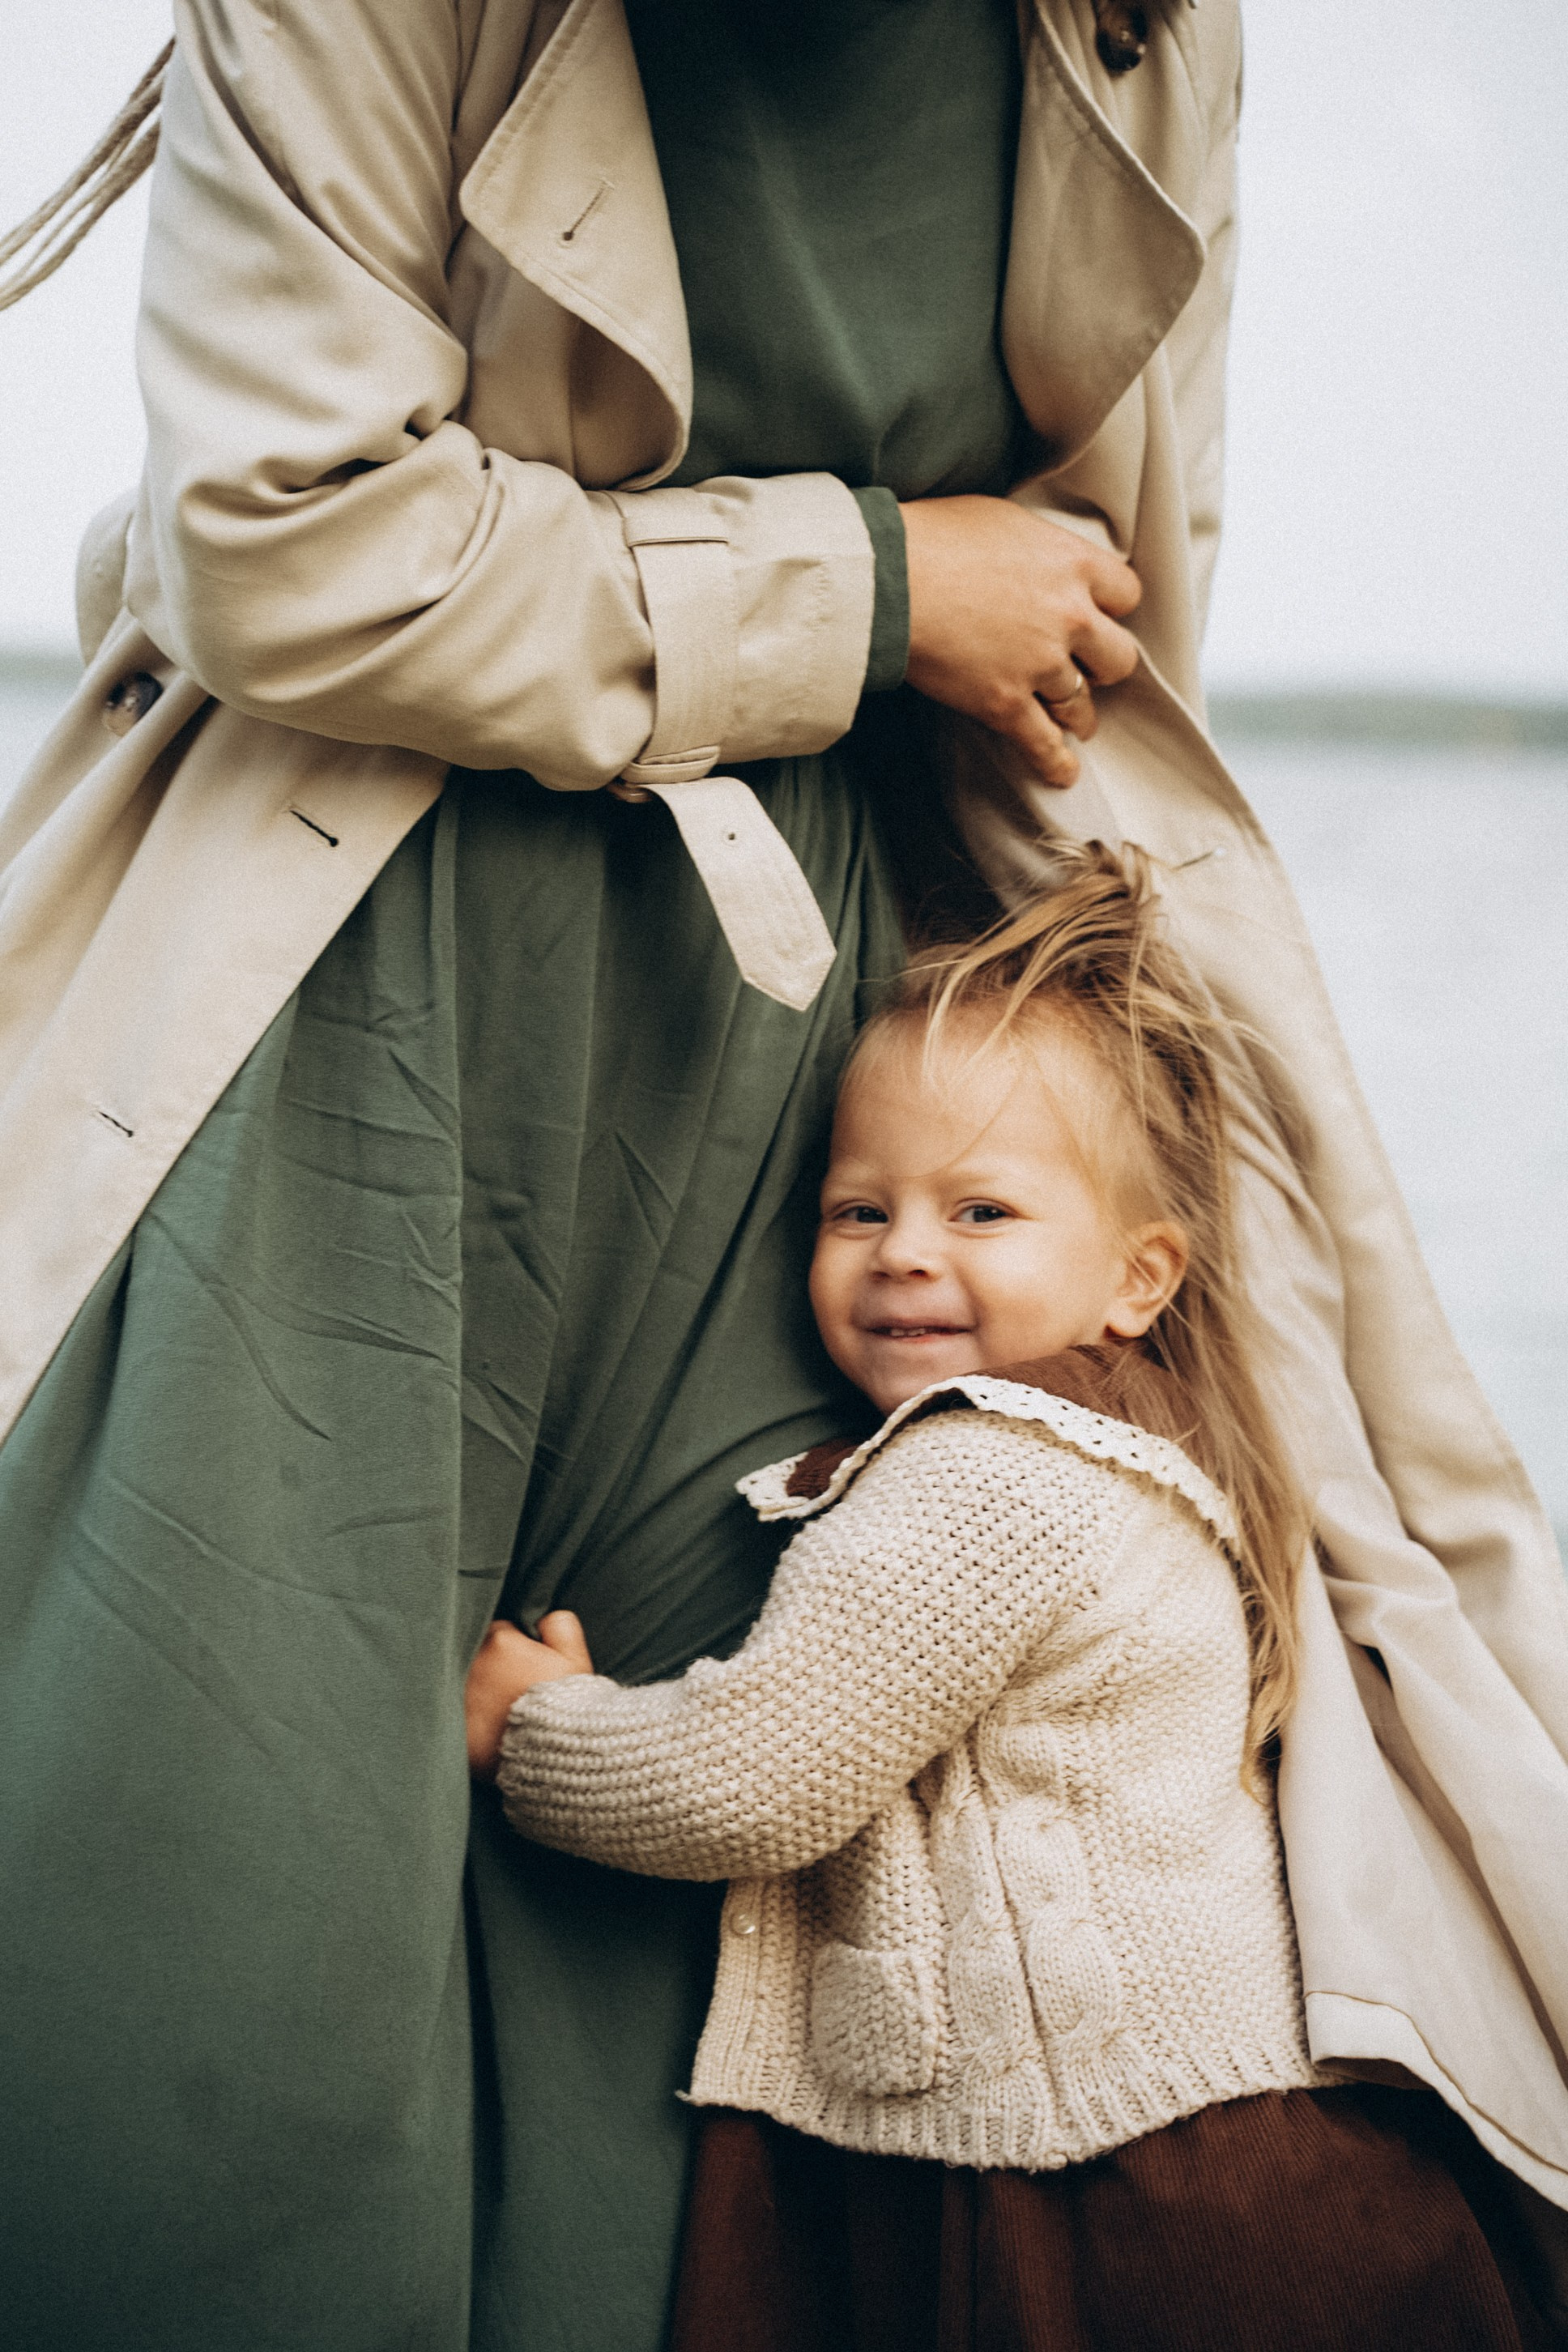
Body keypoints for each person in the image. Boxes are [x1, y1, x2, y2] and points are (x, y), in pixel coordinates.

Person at [2, 4, 1566, 2348]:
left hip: (838, 1061)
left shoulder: (1146, 29)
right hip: (347, 1001)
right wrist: (869, 593)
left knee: (683, 2035)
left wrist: (1003, 1068)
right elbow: (268, 536)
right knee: (214, 1962)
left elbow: (1106, 598)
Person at [466, 844, 1541, 2350]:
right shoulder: (1128, 1446)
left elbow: (748, 1781)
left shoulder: (992, 1480)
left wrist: (539, 1730)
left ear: (1139, 1277)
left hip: (1125, 2192)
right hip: (1147, 2134)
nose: (907, 1250)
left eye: (982, 1213)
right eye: (858, 1210)